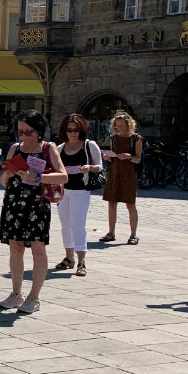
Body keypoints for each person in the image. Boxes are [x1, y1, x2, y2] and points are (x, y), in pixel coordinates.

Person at [0, 110, 68, 313]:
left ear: (38, 131)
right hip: (14, 202)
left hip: (37, 203)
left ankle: (34, 297)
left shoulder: (48, 148)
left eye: (28, 131)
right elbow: (3, 181)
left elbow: (63, 177)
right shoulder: (14, 148)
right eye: (20, 131)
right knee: (15, 247)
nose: (24, 136)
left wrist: (36, 177)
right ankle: (16, 293)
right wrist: (9, 174)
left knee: (38, 249)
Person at [54, 113, 103, 277]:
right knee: (65, 225)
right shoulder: (60, 148)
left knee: (78, 225)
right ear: (65, 131)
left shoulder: (89, 145)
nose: (73, 133)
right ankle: (69, 258)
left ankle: (81, 260)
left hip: (81, 190)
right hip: (63, 191)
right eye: (69, 130)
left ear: (81, 130)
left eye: (75, 130)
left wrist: (90, 167)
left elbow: (100, 167)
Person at [100, 112, 142, 245]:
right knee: (112, 202)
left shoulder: (136, 138)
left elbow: (138, 160)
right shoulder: (113, 138)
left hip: (129, 174)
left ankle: (133, 235)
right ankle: (111, 232)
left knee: (130, 204)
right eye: (117, 126)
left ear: (128, 125)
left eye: (122, 126)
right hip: (114, 172)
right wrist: (108, 157)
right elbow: (113, 156)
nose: (119, 129)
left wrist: (129, 156)